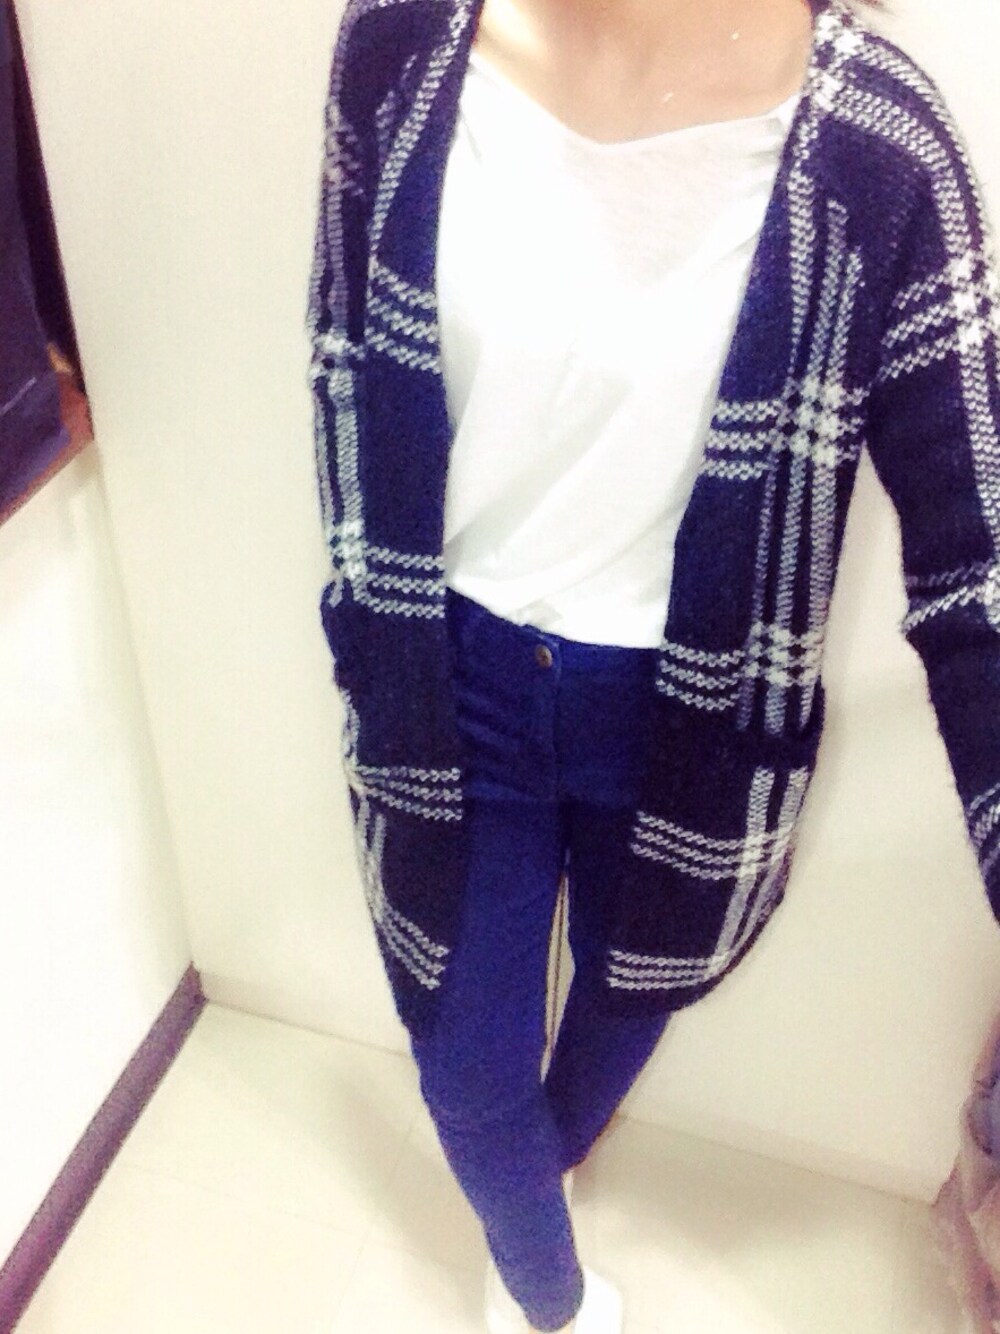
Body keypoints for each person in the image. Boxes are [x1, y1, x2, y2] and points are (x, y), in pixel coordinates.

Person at [306, 0, 1000, 1329]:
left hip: (689, 719)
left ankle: (545, 1172)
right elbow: (341, 362)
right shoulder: (398, 42)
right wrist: (361, 624)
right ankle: (552, 1297)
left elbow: (981, 560)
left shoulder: (885, 147)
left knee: (634, 992)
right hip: (453, 683)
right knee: (467, 1072)